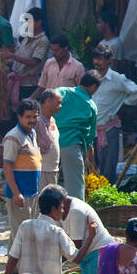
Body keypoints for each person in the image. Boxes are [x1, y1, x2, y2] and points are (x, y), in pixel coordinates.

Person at [90, 42, 137, 182]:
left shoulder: (117, 78)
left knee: (108, 170)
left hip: (108, 130)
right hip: (92, 130)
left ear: (109, 60)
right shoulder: (91, 77)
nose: (97, 62)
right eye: (95, 58)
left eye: (101, 59)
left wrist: (123, 103)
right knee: (93, 168)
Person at [53, 72, 100, 201]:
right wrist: (91, 158)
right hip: (72, 146)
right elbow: (90, 138)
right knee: (75, 188)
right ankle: (76, 216)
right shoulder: (91, 105)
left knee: (48, 183)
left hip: (50, 143)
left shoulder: (62, 92)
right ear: (94, 87)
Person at [2, 98, 42, 238]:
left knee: (23, 232)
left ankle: (16, 260)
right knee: (22, 234)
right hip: (19, 193)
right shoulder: (13, 137)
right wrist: (16, 193)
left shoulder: (32, 133)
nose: (32, 120)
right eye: (28, 117)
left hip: (31, 192)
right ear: (19, 117)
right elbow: (7, 165)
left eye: (35, 116)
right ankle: (18, 261)